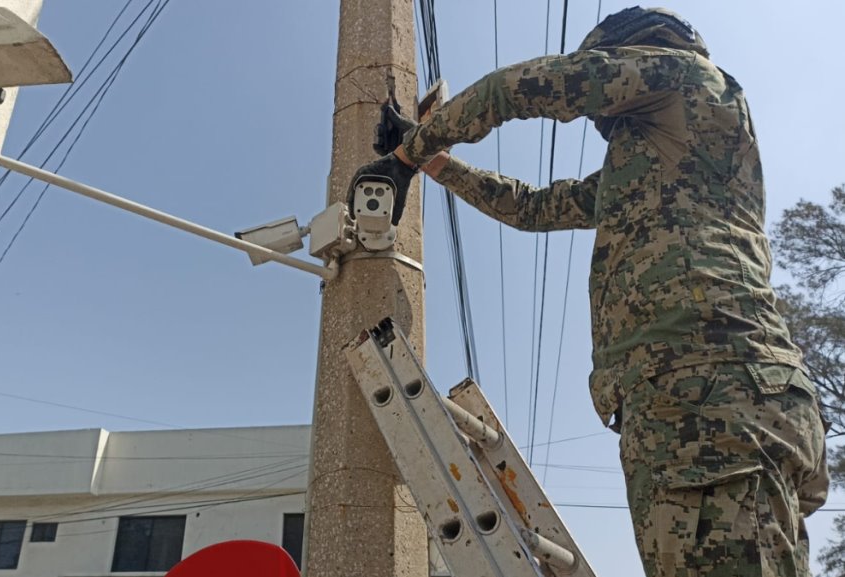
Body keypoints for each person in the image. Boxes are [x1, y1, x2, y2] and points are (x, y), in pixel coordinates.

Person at [354, 6, 829, 577]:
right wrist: (435, 162)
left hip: (704, 389)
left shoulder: (684, 77)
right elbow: (532, 207)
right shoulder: (663, 158)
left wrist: (408, 154)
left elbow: (523, 89)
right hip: (722, 394)